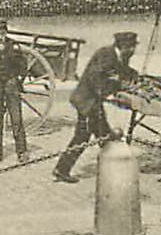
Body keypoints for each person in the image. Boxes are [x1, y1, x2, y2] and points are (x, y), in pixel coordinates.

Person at [53, 30, 141, 183]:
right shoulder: (106, 54)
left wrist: (135, 75)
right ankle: (63, 169)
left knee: (101, 135)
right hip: (87, 101)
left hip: (92, 101)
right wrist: (107, 94)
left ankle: (63, 169)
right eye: (132, 47)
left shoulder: (119, 56)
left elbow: (120, 71)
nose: (133, 51)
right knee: (92, 136)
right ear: (124, 46)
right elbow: (95, 76)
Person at [0, 18, 29, 165]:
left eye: (2, 31)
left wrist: (17, 80)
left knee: (16, 119)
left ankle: (22, 152)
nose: (0, 35)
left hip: (10, 84)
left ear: (6, 31)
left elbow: (23, 65)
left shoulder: (13, 45)